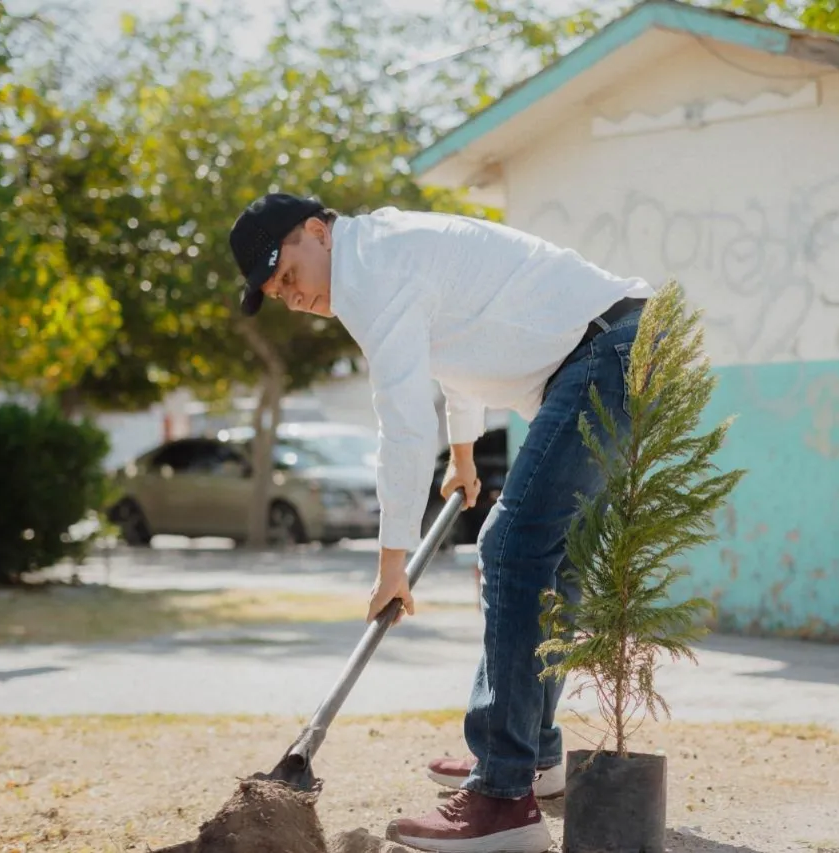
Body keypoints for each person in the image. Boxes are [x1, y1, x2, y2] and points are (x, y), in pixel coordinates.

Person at [229, 192, 653, 853]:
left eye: (287, 274)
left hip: (601, 353)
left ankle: (502, 800)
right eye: (274, 291)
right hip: (613, 347)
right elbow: (455, 347)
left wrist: (390, 562)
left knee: (513, 550)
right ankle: (529, 759)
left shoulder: (369, 272)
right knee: (545, 557)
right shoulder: (386, 251)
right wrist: (462, 453)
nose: (290, 295)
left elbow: (401, 423)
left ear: (318, 230)